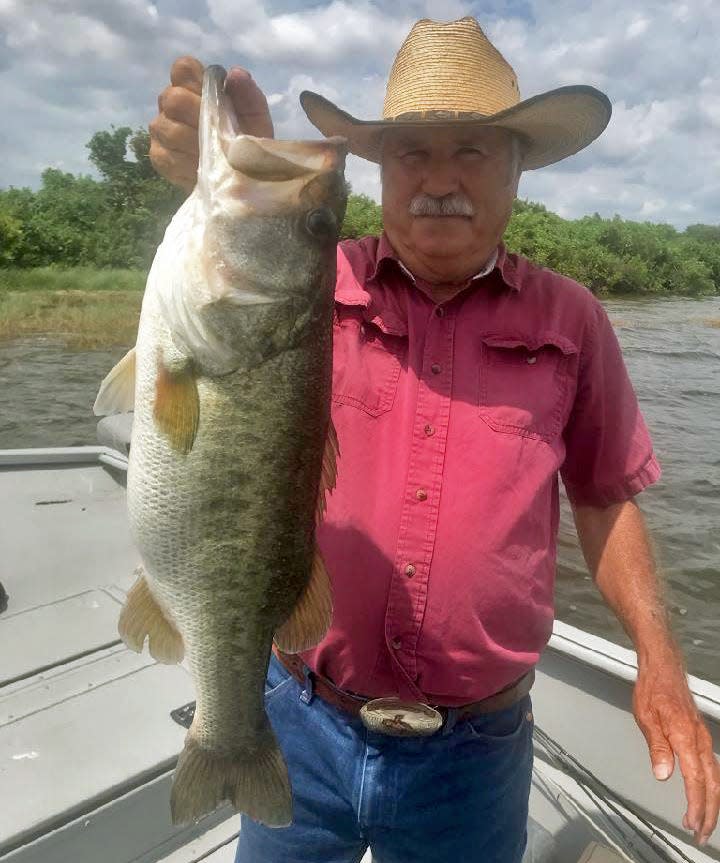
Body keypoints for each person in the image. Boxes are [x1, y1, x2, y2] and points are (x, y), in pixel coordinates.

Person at [148, 16, 720, 862]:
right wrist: (233, 177)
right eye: (413, 153)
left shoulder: (573, 319)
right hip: (300, 720)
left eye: (474, 151)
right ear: (380, 172)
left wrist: (659, 656)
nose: (440, 180)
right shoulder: (308, 282)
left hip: (475, 757)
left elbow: (605, 496)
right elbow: (228, 303)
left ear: (518, 170)